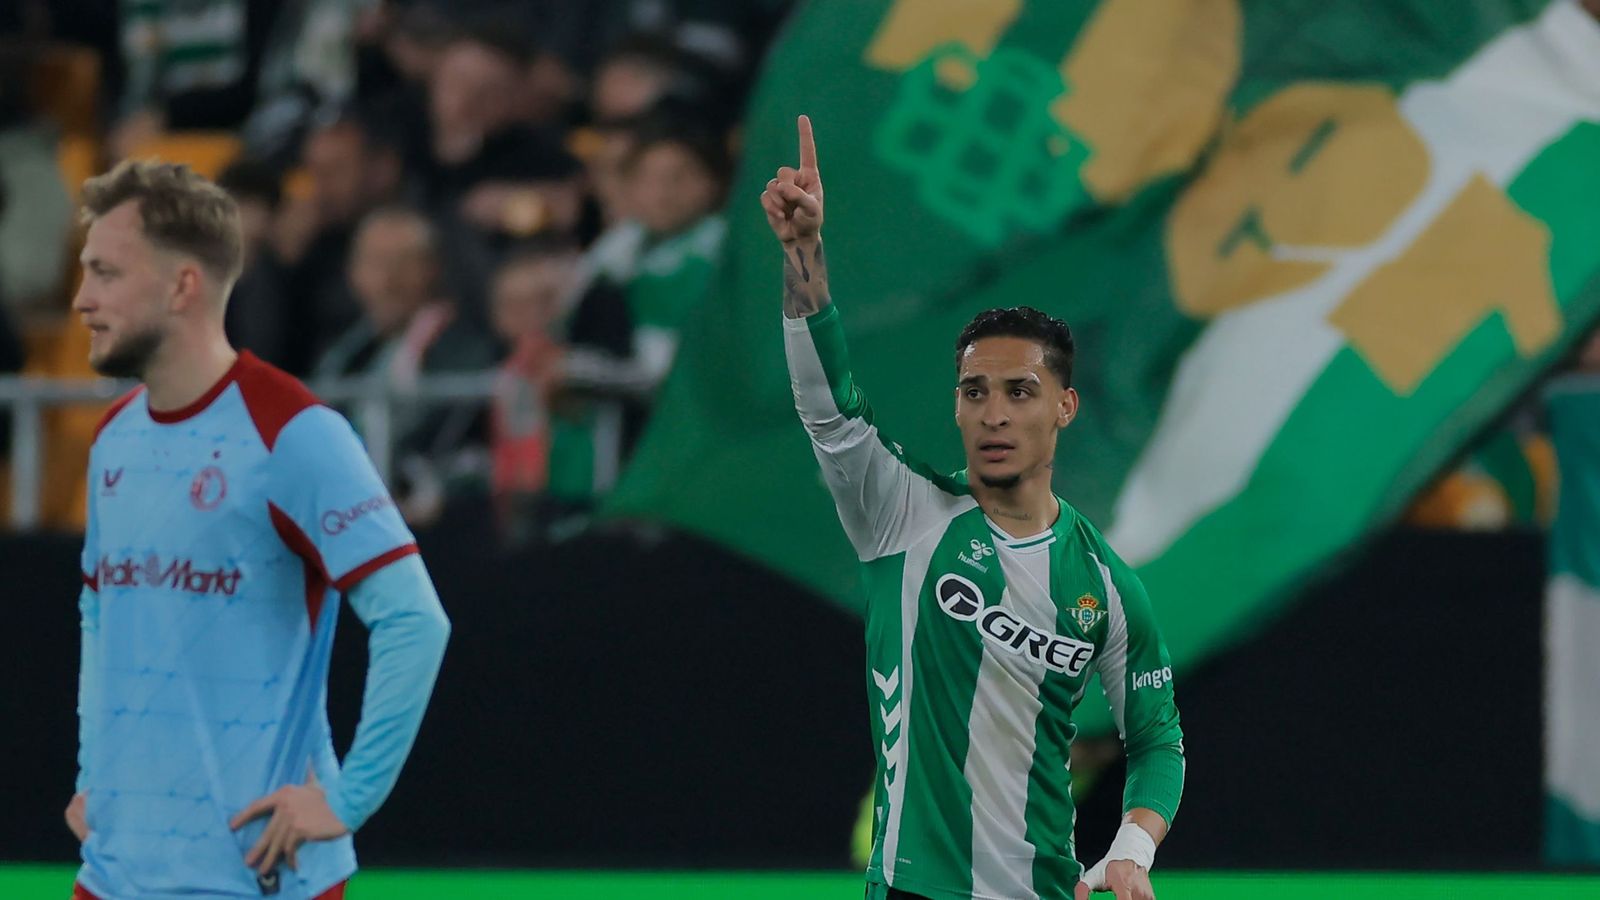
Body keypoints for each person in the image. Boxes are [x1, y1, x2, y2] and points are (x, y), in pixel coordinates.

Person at [763, 117, 1184, 900]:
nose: (994, 413)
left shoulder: (1106, 584)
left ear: (1064, 407)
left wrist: (1132, 848)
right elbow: (828, 408)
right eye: (974, 392)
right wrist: (803, 256)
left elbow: (1158, 739)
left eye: (1020, 393)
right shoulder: (900, 514)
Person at [66, 160, 451, 899]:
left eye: (106, 273)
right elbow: (98, 611)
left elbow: (414, 620)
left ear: (182, 286)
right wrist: (95, 776)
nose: (82, 299)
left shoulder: (294, 434)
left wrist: (347, 801)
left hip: (258, 878)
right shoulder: (114, 436)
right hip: (115, 877)